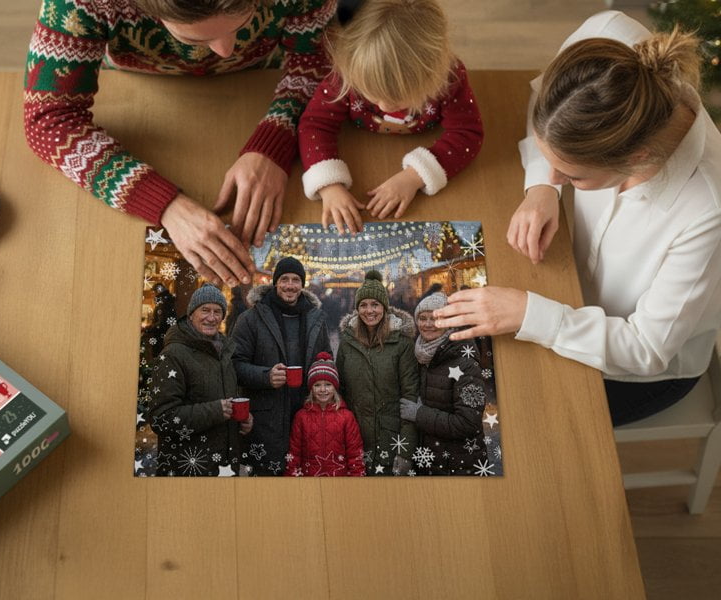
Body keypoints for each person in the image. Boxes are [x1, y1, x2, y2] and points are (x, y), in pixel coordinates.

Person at [433, 11, 721, 426]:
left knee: (512, 420)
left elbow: (647, 349)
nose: (557, 175)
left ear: (635, 159)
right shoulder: (605, 40)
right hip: (567, 290)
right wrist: (542, 187)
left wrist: (530, 313)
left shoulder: (706, 209)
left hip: (638, 368)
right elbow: (545, 111)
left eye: (571, 176)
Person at [24, 0, 336, 286]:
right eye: (195, 40)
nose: (224, 49)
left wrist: (275, 138)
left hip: (257, 78)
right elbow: (48, 119)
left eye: (241, 24)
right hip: (137, 83)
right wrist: (165, 205)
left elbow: (319, 59)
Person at [297, 0, 483, 235]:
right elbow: (314, 125)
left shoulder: (449, 77)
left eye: (398, 100)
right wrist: (329, 185)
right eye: (371, 95)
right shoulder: (348, 72)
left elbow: (468, 134)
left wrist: (414, 177)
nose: (384, 106)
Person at [232, 257, 331, 474]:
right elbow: (234, 366)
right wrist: (265, 376)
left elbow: (326, 360)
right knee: (268, 487)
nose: (290, 285)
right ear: (275, 282)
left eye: (296, 280)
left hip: (307, 416)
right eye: (284, 279)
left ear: (302, 285)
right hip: (265, 422)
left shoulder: (316, 319)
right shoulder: (250, 319)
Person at [149, 283, 253, 476]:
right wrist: (215, 410)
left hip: (224, 467)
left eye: (217, 312)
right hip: (188, 469)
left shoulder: (225, 351)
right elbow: (161, 419)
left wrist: (242, 420)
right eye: (205, 310)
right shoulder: (173, 355)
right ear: (191, 314)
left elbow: (225, 398)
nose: (211, 318)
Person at [336, 270, 418, 475]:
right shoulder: (347, 342)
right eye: (363, 305)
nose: (369, 311)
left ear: (384, 307)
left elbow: (410, 396)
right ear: (356, 309)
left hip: (390, 437)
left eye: (375, 304)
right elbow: (341, 391)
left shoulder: (401, 343)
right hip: (356, 437)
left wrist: (405, 449)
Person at [400, 292, 486, 475]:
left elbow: (468, 423)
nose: (428, 324)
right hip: (429, 460)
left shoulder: (466, 362)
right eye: (423, 318)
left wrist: (419, 414)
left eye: (436, 318)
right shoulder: (422, 356)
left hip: (457, 465)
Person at [284, 352, 365, 476]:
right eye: (317, 385)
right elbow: (294, 454)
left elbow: (355, 455)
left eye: (328, 385)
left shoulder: (346, 417)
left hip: (339, 481)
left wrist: (356, 479)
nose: (323, 390)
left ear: (335, 387)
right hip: (309, 481)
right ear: (311, 388)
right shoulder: (301, 417)